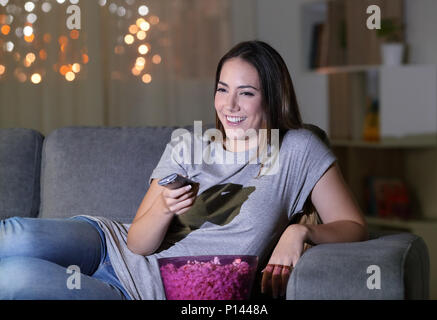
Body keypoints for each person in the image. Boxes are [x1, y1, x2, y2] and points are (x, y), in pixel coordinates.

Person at [0, 40, 368, 300]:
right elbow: (137, 243)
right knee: (16, 237)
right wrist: (164, 207)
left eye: (247, 93)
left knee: (15, 278)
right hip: (107, 244)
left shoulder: (297, 150)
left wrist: (297, 234)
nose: (230, 105)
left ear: (272, 96)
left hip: (139, 292)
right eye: (222, 90)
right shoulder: (188, 143)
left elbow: (354, 225)